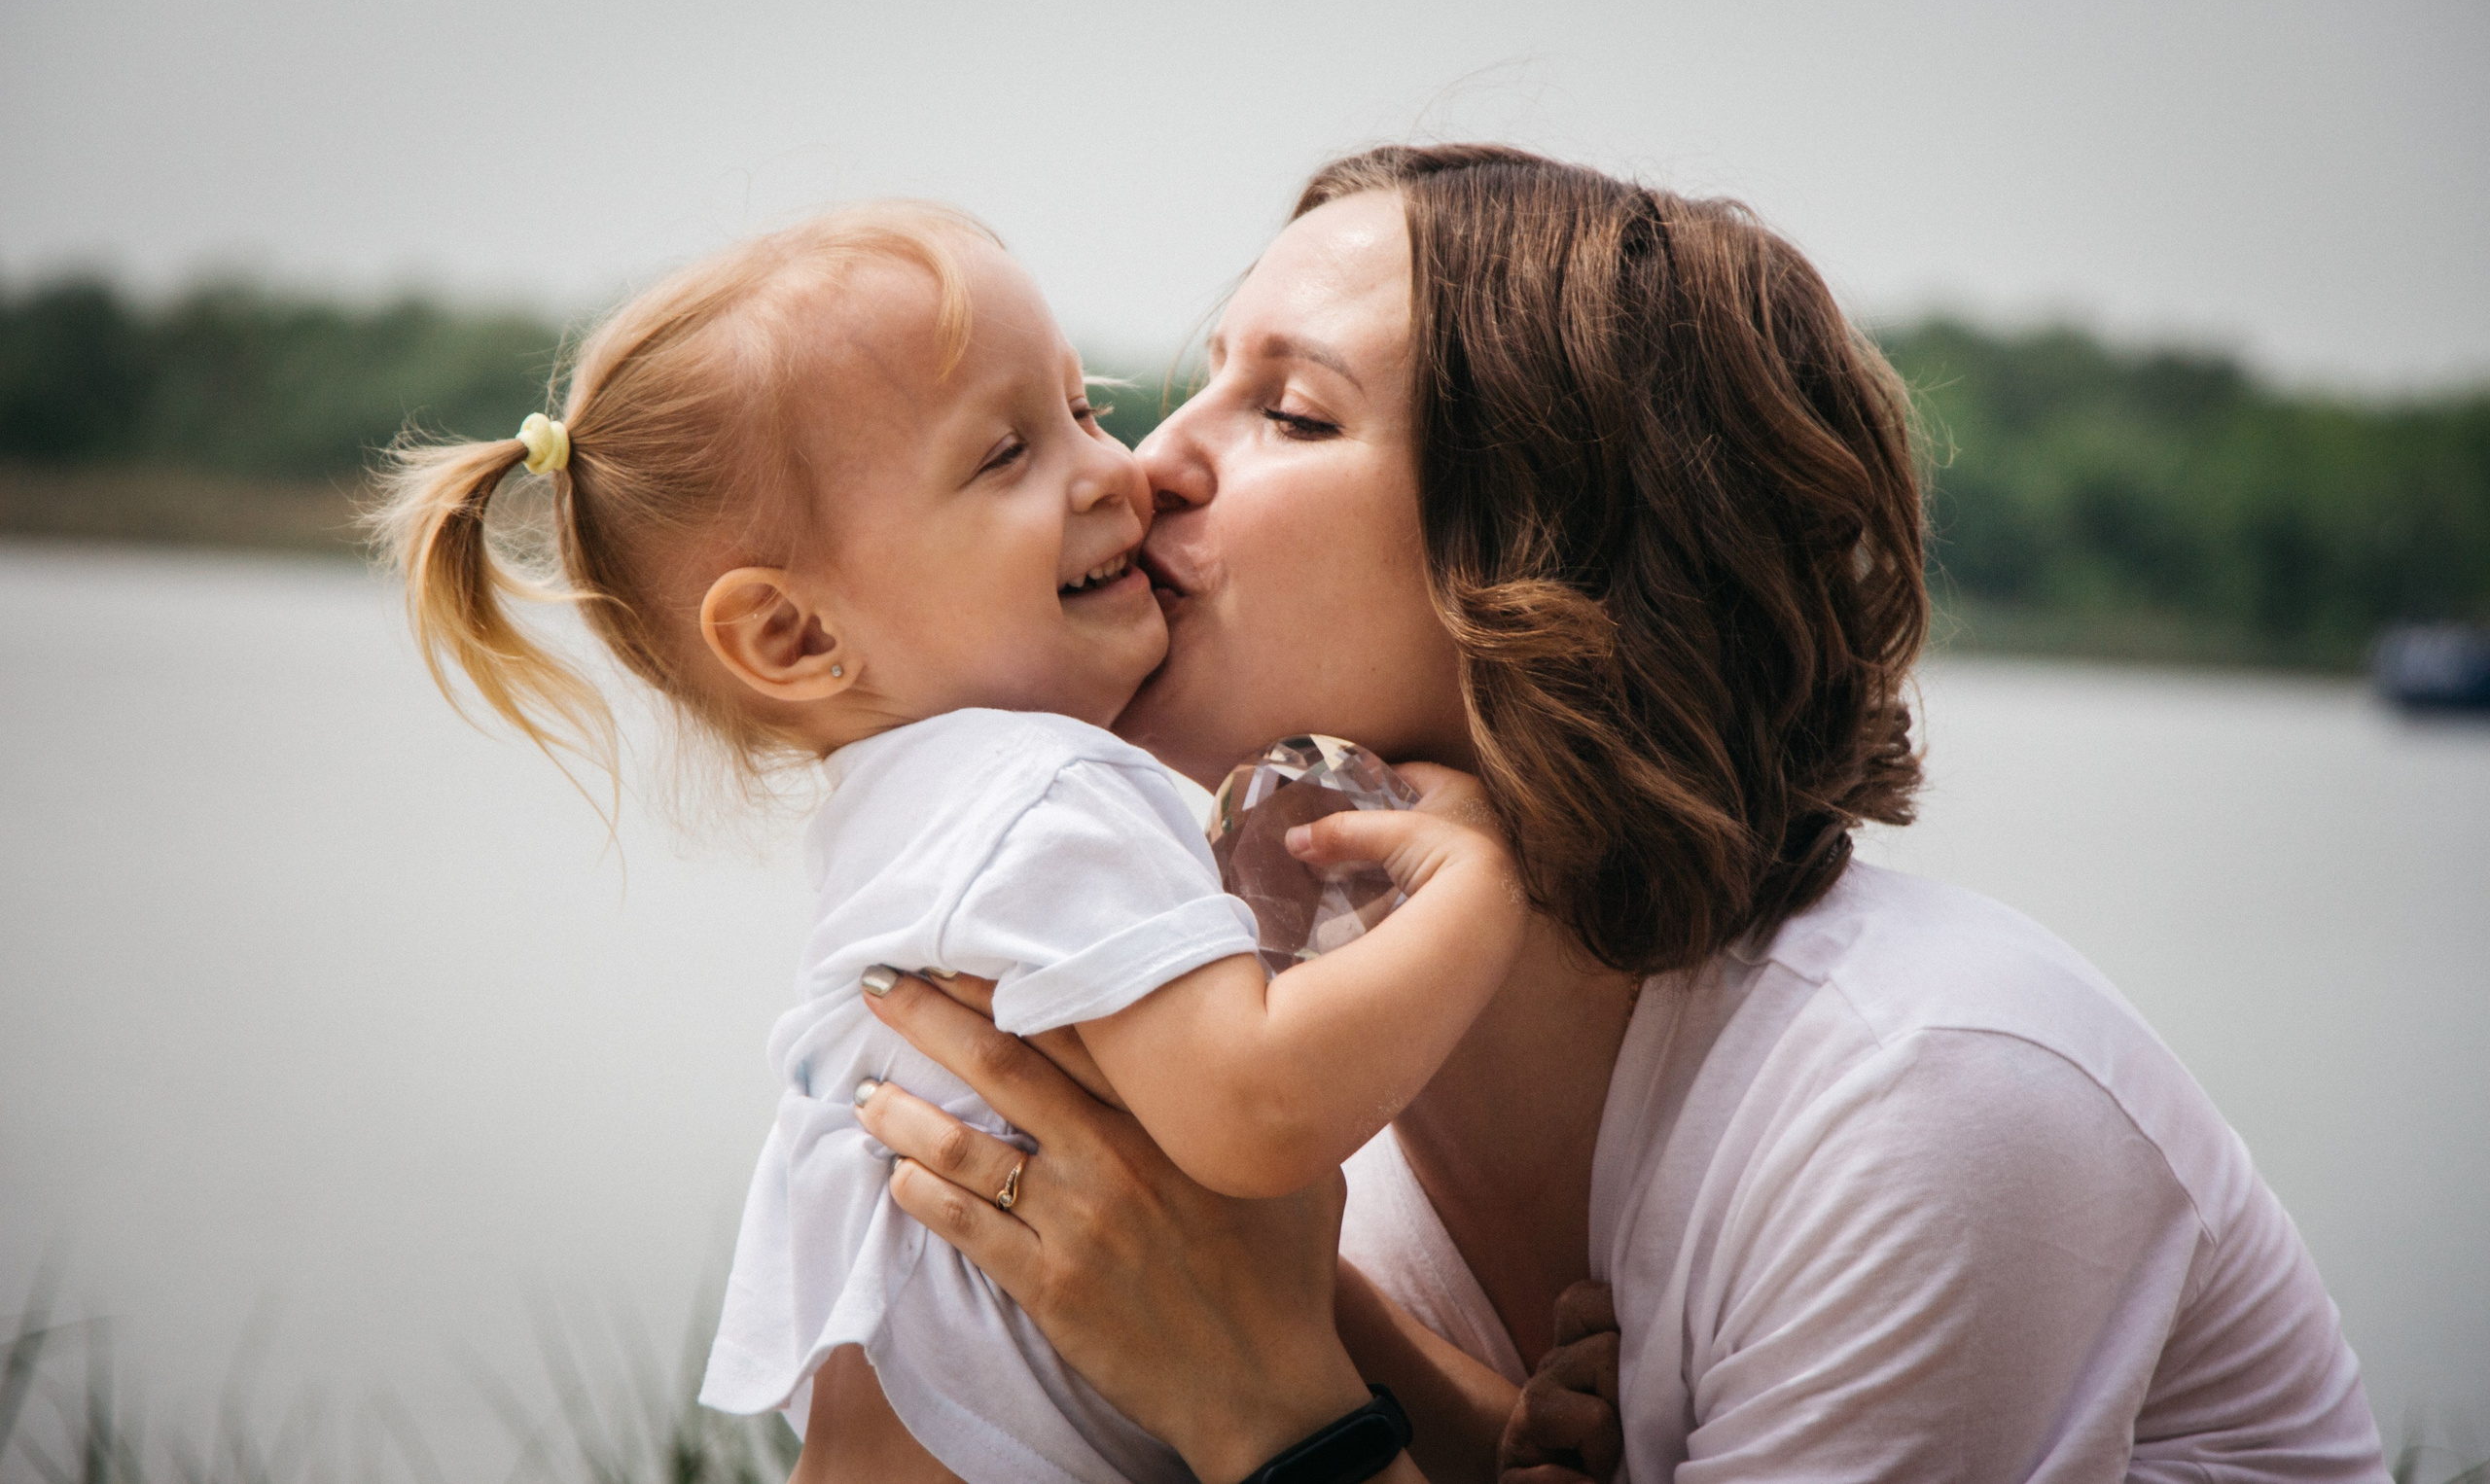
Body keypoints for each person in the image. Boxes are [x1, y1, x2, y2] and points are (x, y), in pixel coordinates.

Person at [844, 145, 2393, 1483]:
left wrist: (1277, 1404)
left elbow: (1275, 1416)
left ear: (1555, 582)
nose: (1144, 464)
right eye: (1196, 382)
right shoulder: (1295, 1068)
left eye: (1292, 414)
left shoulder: (1921, 1099)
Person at [371, 202, 1536, 1483]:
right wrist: (1482, 883)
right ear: (794, 639)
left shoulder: (924, 818)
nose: (1117, 470)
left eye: (1084, 411)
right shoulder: (1037, 796)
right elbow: (1255, 1118)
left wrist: (1485, 1429)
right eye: (1003, 457)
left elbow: (1234, 1238)